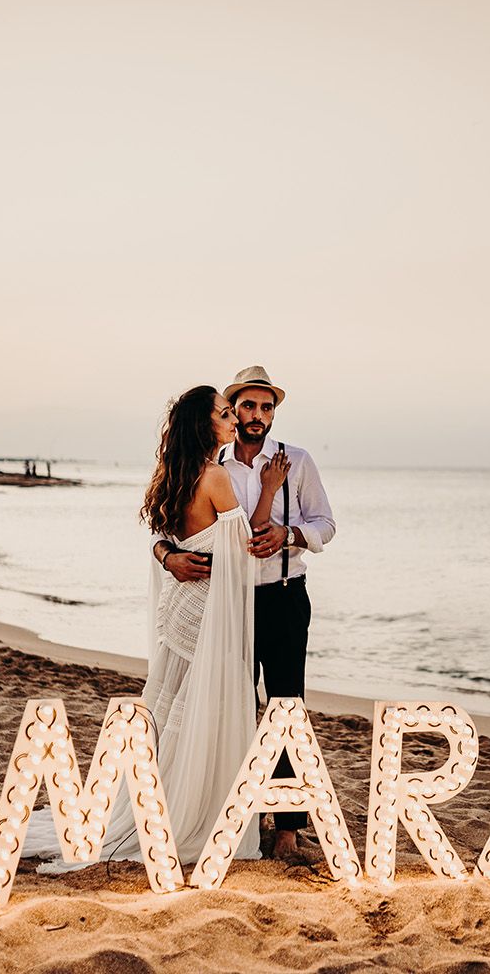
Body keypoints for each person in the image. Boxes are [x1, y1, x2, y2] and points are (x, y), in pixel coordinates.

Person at [0, 385, 287, 866]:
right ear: (205, 424)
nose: (234, 419)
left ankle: (162, 801)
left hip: (180, 606)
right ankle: (192, 811)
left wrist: (168, 555)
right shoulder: (215, 476)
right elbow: (244, 545)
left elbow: (163, 538)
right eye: (225, 413)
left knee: (175, 707)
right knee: (204, 710)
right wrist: (272, 490)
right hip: (205, 613)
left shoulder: (172, 474)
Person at [154, 366, 336, 858]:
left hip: (283, 597)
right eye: (247, 407)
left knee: (286, 709)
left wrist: (292, 534)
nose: (257, 416)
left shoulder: (297, 461)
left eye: (267, 407)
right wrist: (167, 555)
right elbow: (175, 528)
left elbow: (326, 523)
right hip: (227, 606)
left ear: (274, 412)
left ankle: (287, 830)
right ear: (233, 410)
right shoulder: (214, 463)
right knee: (227, 707)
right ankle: (232, 817)